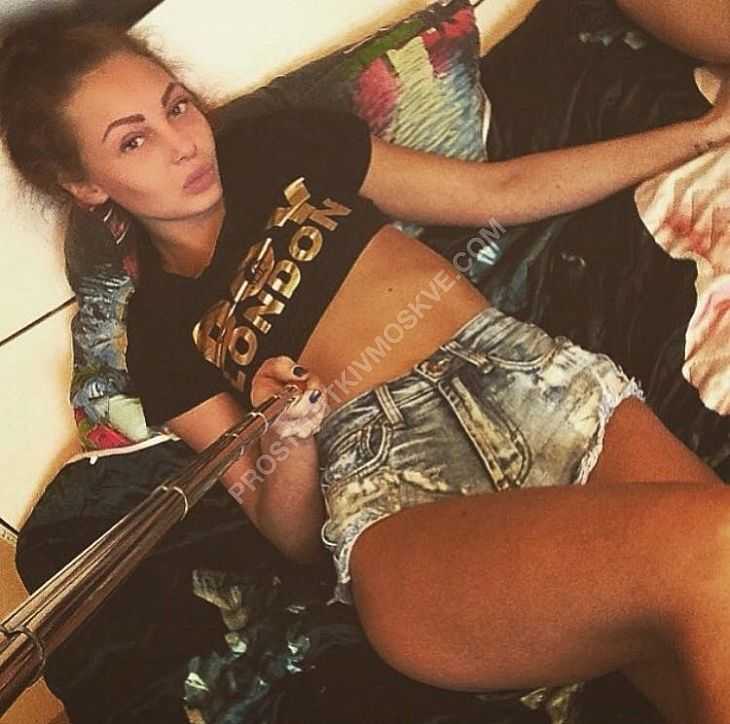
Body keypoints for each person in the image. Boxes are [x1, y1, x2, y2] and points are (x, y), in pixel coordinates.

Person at [1, 7, 729, 723]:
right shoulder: (158, 332)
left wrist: (702, 132)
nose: (183, 145)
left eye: (177, 107)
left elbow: (502, 190)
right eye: (133, 142)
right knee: (715, 550)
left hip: (530, 384)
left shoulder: (280, 146)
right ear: (85, 183)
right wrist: (284, 433)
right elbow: (288, 531)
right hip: (394, 490)